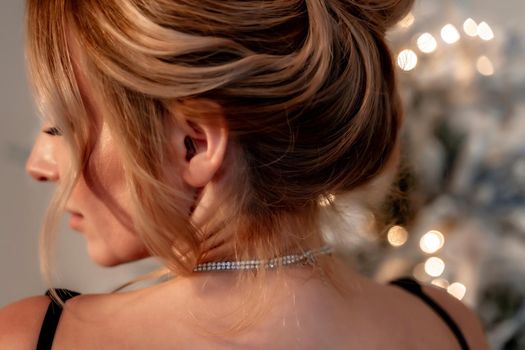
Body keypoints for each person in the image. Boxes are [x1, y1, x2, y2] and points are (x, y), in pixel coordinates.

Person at [0, 0, 489, 349]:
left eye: (59, 127)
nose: (39, 165)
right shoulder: (448, 326)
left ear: (195, 144)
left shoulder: (33, 337)